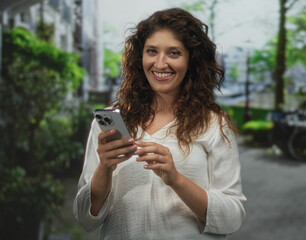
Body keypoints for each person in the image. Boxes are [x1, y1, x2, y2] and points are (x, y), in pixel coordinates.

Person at [73, 8, 246, 240]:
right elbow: (85, 218)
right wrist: (104, 167)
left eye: (174, 53)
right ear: (139, 57)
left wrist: (176, 179)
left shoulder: (213, 125)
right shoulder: (110, 122)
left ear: (191, 60)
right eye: (152, 51)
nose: (160, 63)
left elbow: (232, 218)